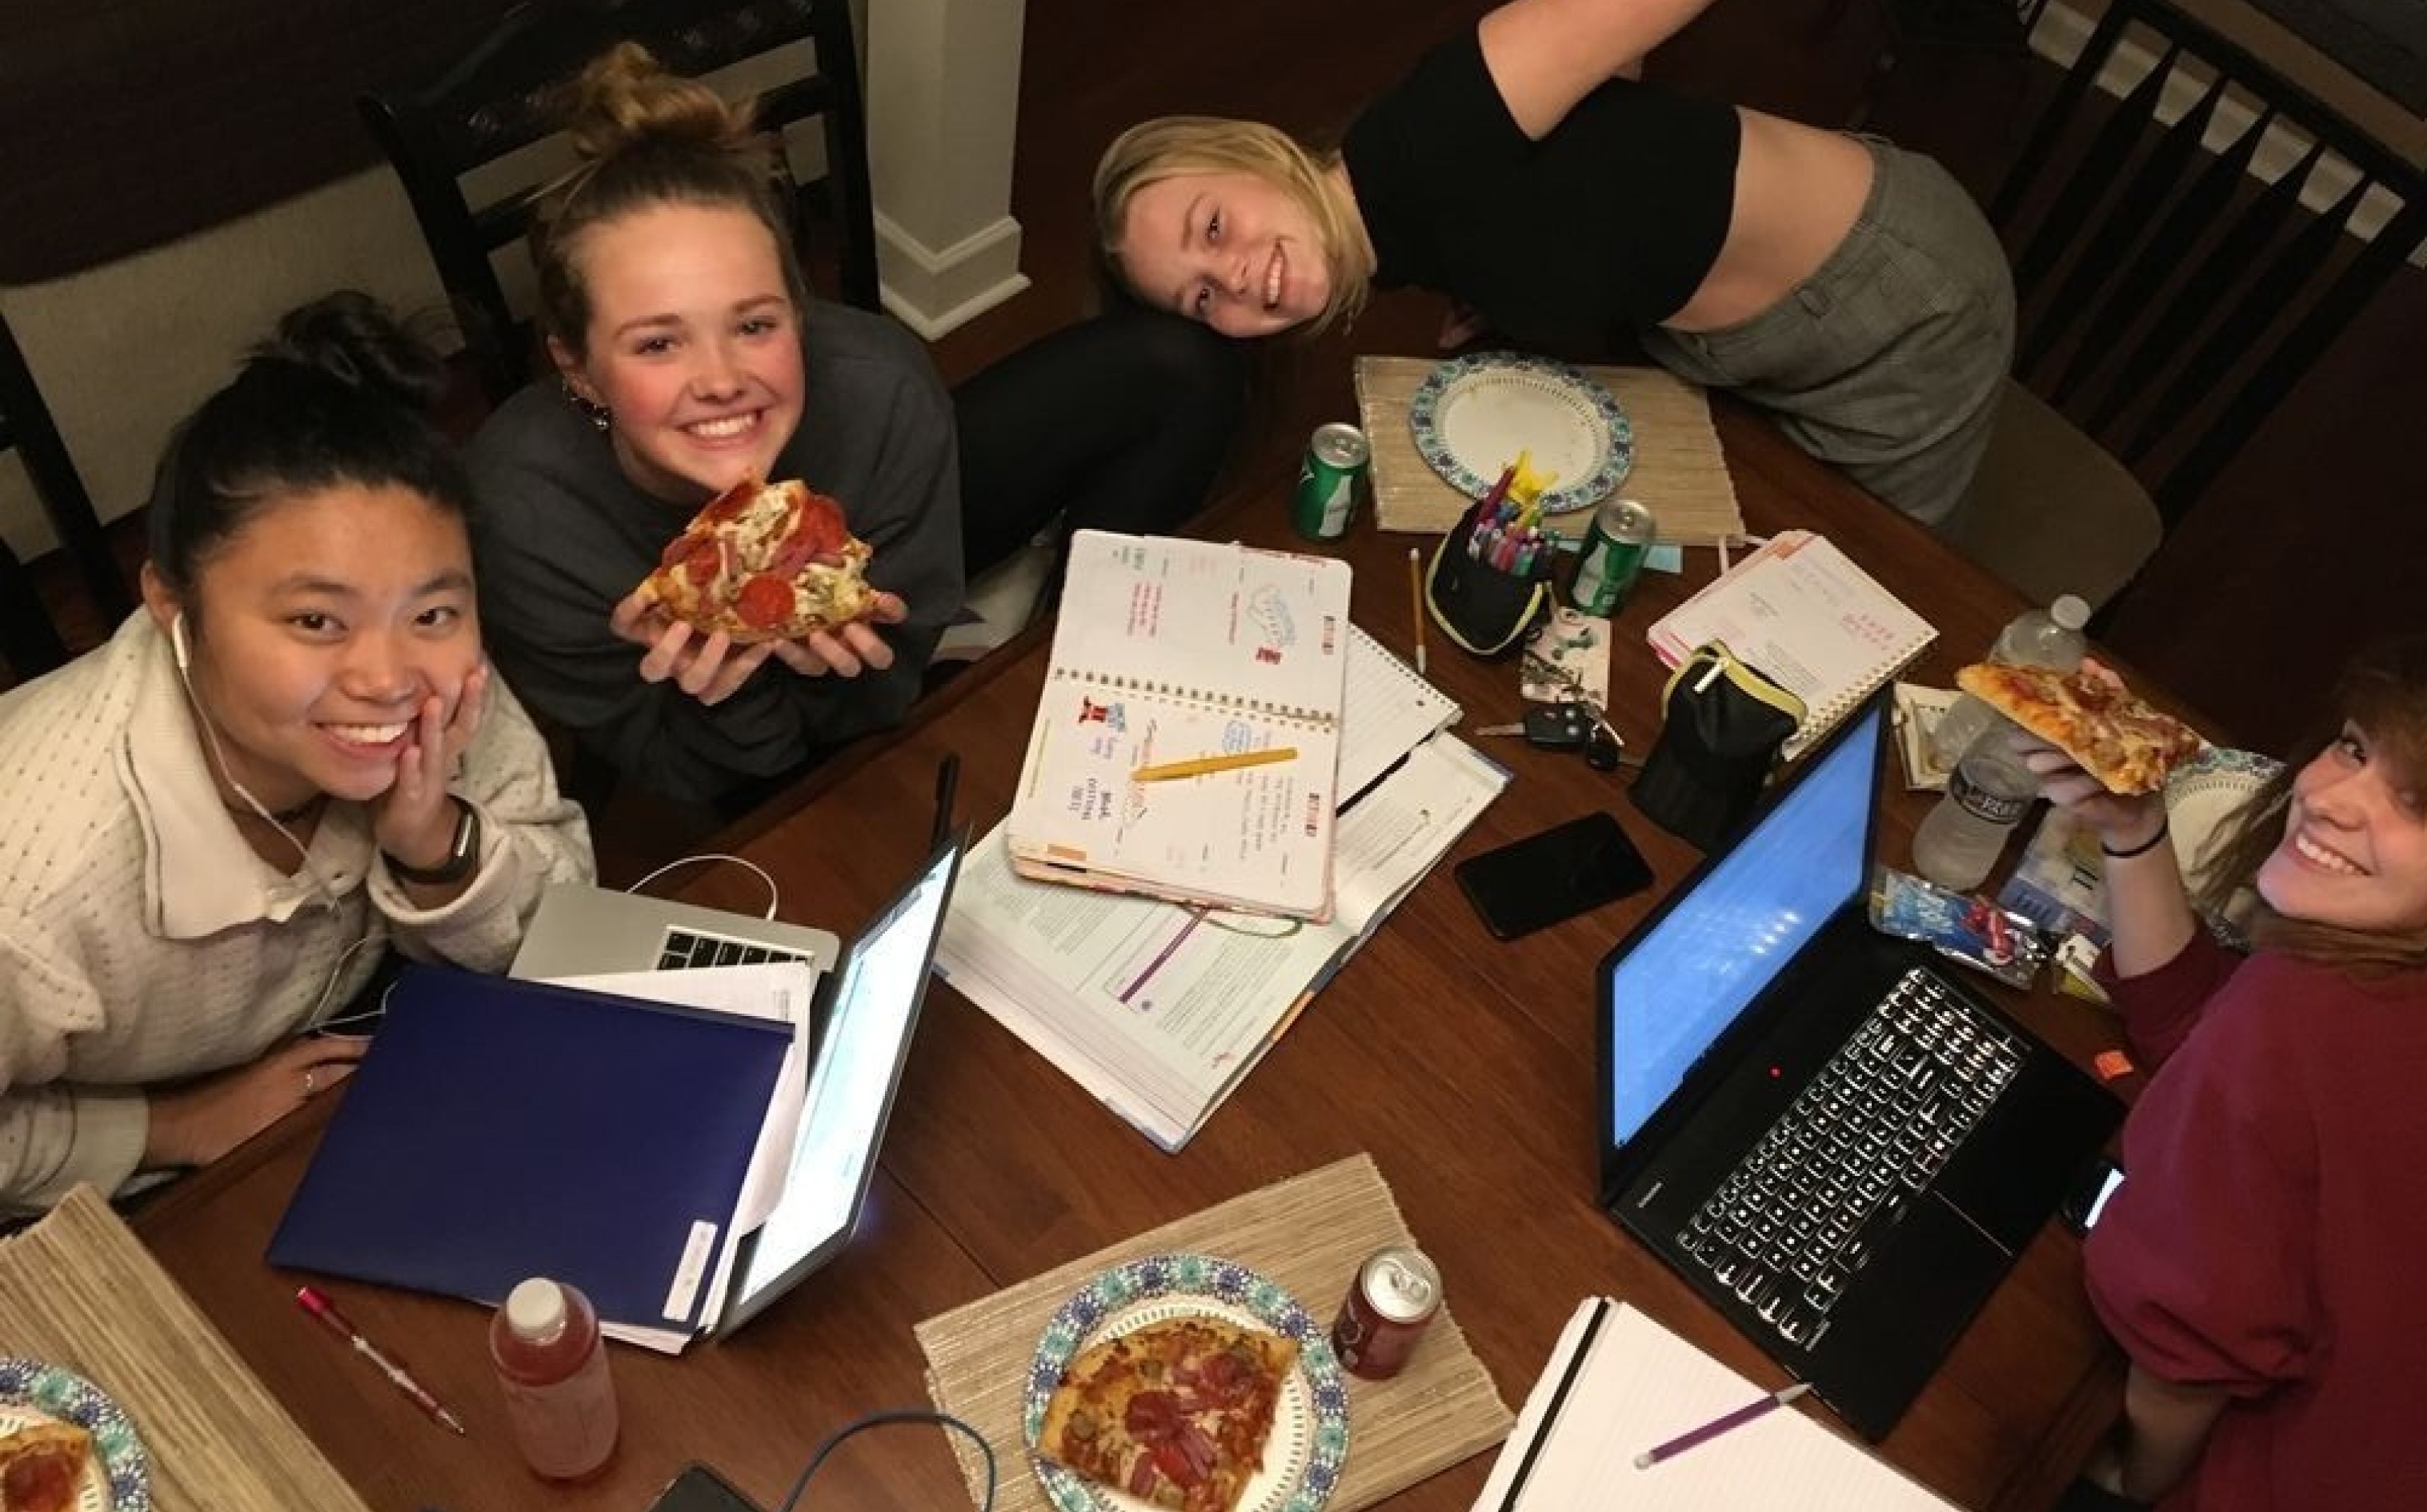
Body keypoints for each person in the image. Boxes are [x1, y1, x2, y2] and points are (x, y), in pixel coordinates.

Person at [470, 44, 1246, 809]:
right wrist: (730, 690)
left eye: (753, 326)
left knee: (1176, 369)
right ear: (575, 366)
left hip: (884, 576)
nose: (720, 380)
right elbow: (699, 778)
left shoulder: (884, 395)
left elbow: (886, 697)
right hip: (732, 755)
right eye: (658, 343)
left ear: (799, 315)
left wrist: (859, 665)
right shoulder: (523, 518)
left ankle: (1049, 628)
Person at [0, 294, 595, 1218]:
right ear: (170, 599)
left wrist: (435, 842)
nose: (388, 676)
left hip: (380, 1064)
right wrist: (167, 1127)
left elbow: (570, 924)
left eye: (433, 611)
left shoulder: (440, 688)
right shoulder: (33, 885)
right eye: (316, 620)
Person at [1091, 0, 2015, 530]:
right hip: (1720, 343)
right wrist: (1532, 271)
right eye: (1201, 297)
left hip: (1898, 302)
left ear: (1251, 153)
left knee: (1865, 591)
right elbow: (1588, 129)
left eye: (1214, 228)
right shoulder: (1398, 236)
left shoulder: (1430, 130)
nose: (1240, 278)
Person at [2022, 646, 2427, 1510]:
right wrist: (2133, 829)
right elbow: (2207, 1032)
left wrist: (2128, 1483)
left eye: (2418, 804)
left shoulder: (2313, 1009)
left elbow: (2185, 1362)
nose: (2325, 797)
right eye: (2356, 747)